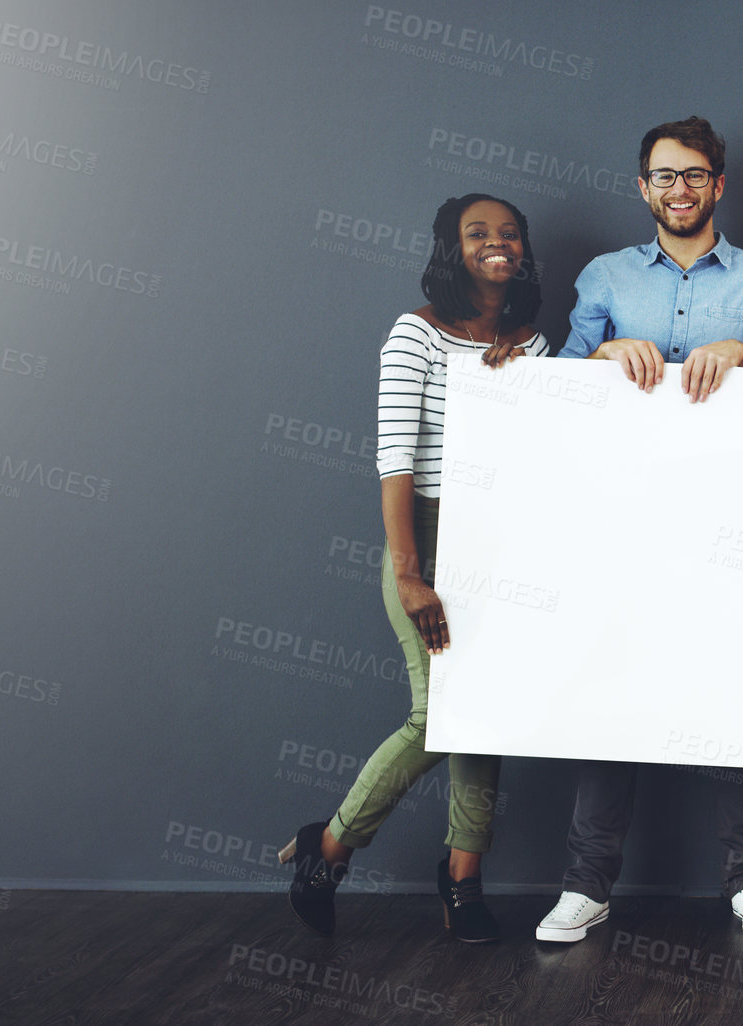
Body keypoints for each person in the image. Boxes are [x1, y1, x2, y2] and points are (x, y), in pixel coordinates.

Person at [536, 116, 743, 944]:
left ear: (718, 185)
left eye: (694, 176)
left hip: (732, 523)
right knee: (611, 694)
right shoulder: (606, 276)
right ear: (641, 186)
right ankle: (586, 886)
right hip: (623, 522)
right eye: (663, 176)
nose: (678, 190)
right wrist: (603, 356)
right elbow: (559, 388)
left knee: (732, 695)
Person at [280, 192, 548, 944]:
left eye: (509, 234)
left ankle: (464, 883)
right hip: (425, 536)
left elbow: (552, 443)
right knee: (437, 716)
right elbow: (394, 459)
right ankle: (327, 849)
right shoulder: (416, 334)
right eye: (477, 234)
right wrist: (408, 571)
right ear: (449, 249)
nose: (497, 243)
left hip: (497, 540)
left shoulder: (532, 342)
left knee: (483, 715)